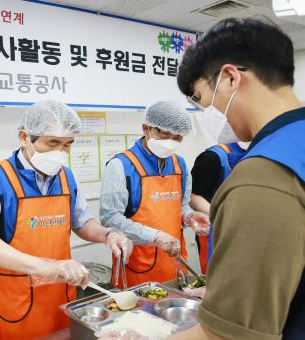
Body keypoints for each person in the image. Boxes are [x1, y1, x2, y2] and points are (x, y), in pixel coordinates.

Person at [170, 17, 305, 339]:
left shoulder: (264, 174)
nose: (208, 114)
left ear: (230, 77)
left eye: (202, 100)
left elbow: (227, 335)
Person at [0, 100, 133, 340]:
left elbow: (83, 223)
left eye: (67, 145)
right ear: (24, 137)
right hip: (13, 303)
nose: (60, 152)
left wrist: (108, 234)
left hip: (59, 298)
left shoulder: (66, 176)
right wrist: (44, 267)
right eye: (52, 143)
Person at [100, 101, 210, 287]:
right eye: (163, 134)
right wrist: (156, 236)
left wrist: (189, 217)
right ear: (146, 128)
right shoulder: (121, 166)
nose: (169, 142)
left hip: (175, 262)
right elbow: (110, 218)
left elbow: (180, 206)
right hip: (138, 265)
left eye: (177, 137)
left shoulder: (180, 165)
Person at [190, 141, 248, 274]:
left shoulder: (262, 155)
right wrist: (223, 216)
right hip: (215, 231)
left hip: (246, 232)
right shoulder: (212, 158)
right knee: (216, 278)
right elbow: (193, 195)